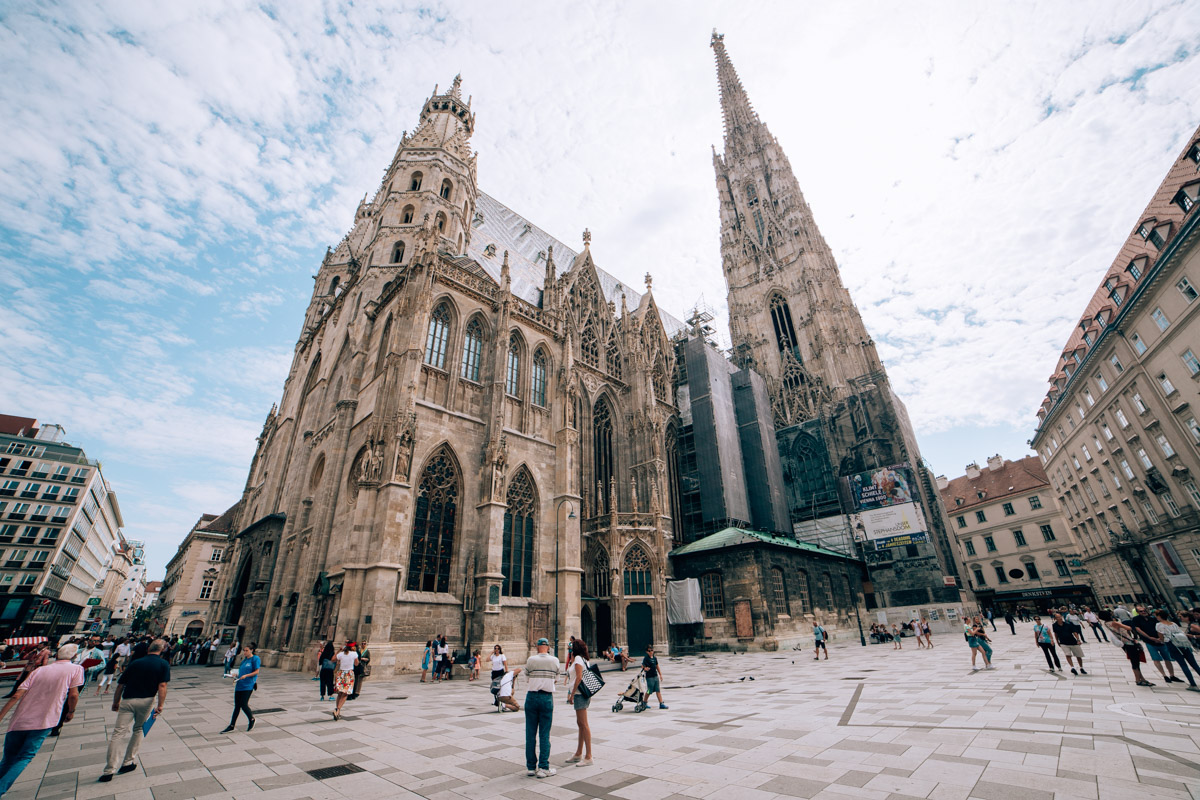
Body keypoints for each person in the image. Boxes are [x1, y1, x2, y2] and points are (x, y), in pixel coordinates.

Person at [0, 643, 83, 794]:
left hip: (19, 720)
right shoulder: (76, 669)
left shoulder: (40, 670)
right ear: (75, 656)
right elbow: (73, 694)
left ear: (57, 655)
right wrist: (71, 711)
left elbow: (16, 695)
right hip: (45, 720)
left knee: (7, 759)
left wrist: (1, 716)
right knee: (24, 756)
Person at [100, 639, 169, 781]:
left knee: (118, 734)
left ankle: (109, 770)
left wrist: (115, 702)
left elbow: (120, 685)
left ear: (148, 649)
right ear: (162, 650)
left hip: (127, 701)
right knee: (139, 729)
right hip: (147, 701)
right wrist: (161, 705)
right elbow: (162, 686)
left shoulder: (135, 663)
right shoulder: (163, 664)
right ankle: (128, 762)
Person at [524, 637, 559, 778]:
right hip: (546, 698)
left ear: (537, 646)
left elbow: (526, 679)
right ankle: (543, 767)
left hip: (531, 697)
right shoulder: (555, 660)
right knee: (544, 734)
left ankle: (531, 768)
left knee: (530, 734)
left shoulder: (531, 660)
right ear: (548, 646)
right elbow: (556, 679)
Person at [1129, 605, 1182, 683]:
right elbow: (1138, 630)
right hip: (1149, 642)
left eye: (1144, 610)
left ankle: (1172, 675)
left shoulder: (1153, 618)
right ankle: (1164, 675)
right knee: (1156, 659)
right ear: (1137, 612)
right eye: (1141, 611)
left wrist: (1161, 638)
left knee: (1167, 658)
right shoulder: (1136, 619)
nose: (1143, 612)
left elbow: (1160, 627)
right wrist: (1150, 638)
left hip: (1160, 641)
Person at [1102, 609, 1154, 686]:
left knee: (1135, 660)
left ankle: (1142, 678)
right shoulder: (1114, 623)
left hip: (1124, 642)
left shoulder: (1106, 623)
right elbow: (1129, 628)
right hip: (1128, 642)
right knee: (1135, 661)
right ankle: (1138, 680)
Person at [565, 640, 594, 767]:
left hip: (579, 694)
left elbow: (579, 677)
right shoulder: (583, 659)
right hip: (583, 694)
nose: (570, 649)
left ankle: (588, 756)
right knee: (581, 724)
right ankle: (578, 753)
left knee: (584, 724)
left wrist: (571, 694)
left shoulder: (578, 659)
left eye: (571, 647)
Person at [1155, 609, 1200, 692]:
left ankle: (1193, 684)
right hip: (1183, 644)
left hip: (1172, 645)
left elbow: (1162, 638)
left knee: (1183, 665)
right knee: (1194, 664)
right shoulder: (1173, 624)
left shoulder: (1159, 625)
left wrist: (1159, 640)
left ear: (1159, 616)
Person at [222, 643, 260, 733]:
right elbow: (241, 671)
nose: (245, 652)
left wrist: (246, 675)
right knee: (237, 706)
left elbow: (256, 671)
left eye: (246, 650)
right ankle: (232, 725)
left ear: (252, 650)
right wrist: (235, 675)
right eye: (244, 650)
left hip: (248, 685)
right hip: (239, 684)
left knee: (243, 704)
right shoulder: (244, 660)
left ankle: (251, 719)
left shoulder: (255, 659)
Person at [332, 642, 357, 720]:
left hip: (341, 673)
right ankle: (338, 709)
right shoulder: (354, 654)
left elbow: (333, 659)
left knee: (340, 693)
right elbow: (356, 664)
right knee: (345, 694)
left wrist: (338, 651)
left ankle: (337, 711)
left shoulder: (341, 654)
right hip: (349, 674)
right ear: (352, 647)